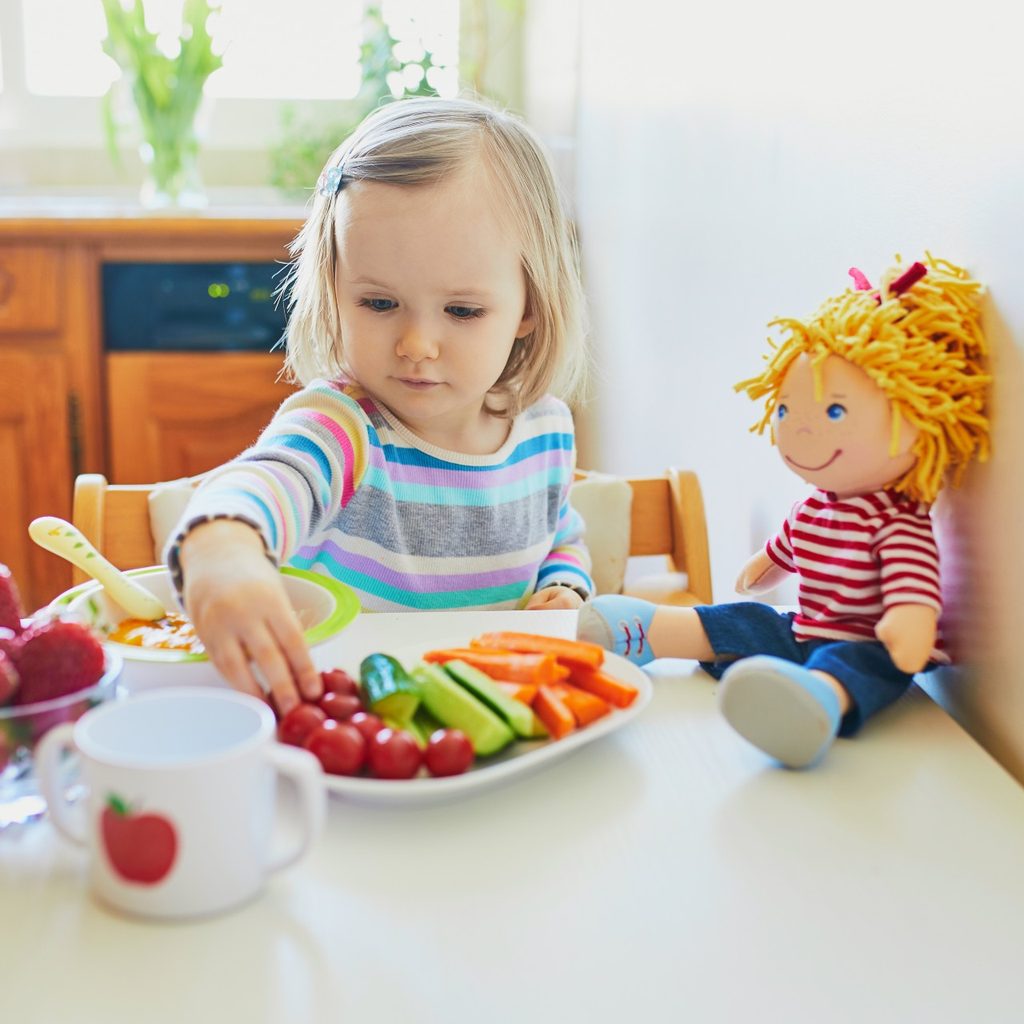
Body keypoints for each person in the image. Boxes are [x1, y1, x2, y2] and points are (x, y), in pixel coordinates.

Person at [165, 97, 593, 713]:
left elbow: (561, 533)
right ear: (335, 291)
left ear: (528, 305)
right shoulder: (343, 427)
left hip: (493, 731)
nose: (416, 345)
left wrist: (563, 584)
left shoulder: (545, 430)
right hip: (354, 727)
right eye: (379, 304)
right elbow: (273, 479)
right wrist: (224, 542)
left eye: (463, 311)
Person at [579, 254, 990, 769]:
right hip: (801, 628)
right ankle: (649, 631)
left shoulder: (897, 523)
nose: (798, 429)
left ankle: (813, 703)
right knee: (750, 618)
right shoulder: (814, 506)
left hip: (865, 642)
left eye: (834, 411)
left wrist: (910, 624)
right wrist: (763, 567)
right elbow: (787, 548)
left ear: (918, 416)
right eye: (786, 410)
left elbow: (912, 591)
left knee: (856, 665)